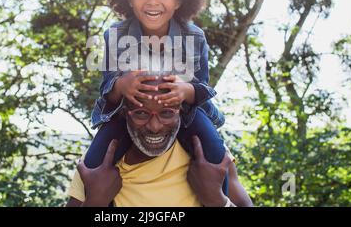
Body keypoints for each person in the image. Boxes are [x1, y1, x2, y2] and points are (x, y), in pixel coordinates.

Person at [85, 0, 230, 191]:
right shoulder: (115, 35)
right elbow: (108, 87)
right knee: (94, 161)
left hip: (184, 114)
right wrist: (122, 86)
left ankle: (222, 198)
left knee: (216, 155)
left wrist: (185, 91)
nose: (153, 1)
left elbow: (203, 88)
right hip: (128, 115)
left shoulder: (194, 37)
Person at [66, 77, 253, 207]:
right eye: (140, 113)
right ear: (123, 113)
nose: (154, 126)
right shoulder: (97, 167)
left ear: (181, 110)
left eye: (166, 113)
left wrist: (217, 201)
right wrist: (94, 202)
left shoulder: (210, 158)